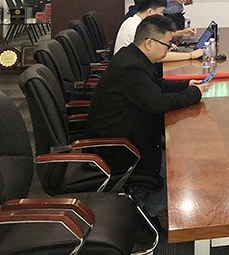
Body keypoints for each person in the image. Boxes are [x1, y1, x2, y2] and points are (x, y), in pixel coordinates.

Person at [86, 14, 209, 218]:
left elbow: (155, 86)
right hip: (120, 149)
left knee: (178, 152)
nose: (169, 50)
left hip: (129, 135)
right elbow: (158, 102)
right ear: (149, 43)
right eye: (166, 44)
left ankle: (142, 205)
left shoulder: (132, 56)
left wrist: (186, 85)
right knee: (181, 169)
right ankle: (143, 214)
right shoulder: (131, 68)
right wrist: (194, 94)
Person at [112, 0, 203, 61]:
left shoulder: (134, 21)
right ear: (150, 11)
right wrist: (191, 55)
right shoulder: (135, 28)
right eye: (161, 12)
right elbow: (159, 57)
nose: (162, 16)